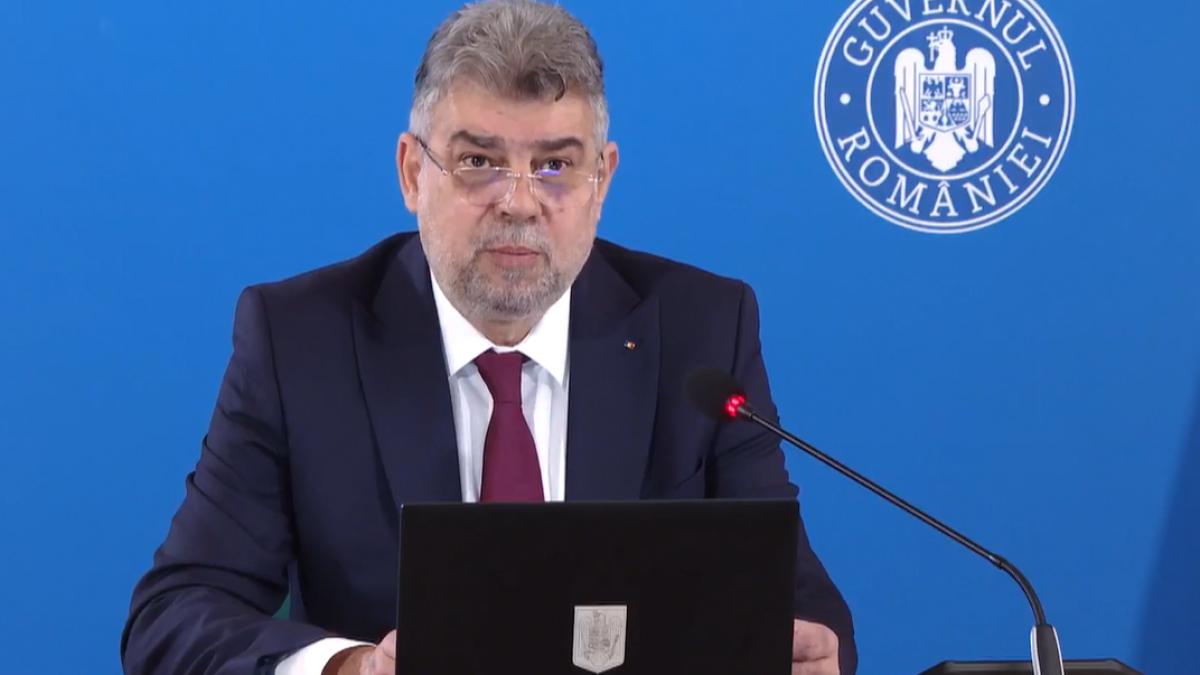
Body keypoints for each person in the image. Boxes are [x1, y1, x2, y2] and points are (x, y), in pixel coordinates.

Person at [120, 1, 856, 673]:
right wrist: (347, 668)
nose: (519, 202)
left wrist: (813, 651)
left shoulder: (702, 330)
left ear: (602, 181)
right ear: (413, 173)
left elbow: (801, 605)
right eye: (479, 162)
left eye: (555, 166)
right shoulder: (300, 342)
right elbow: (173, 617)